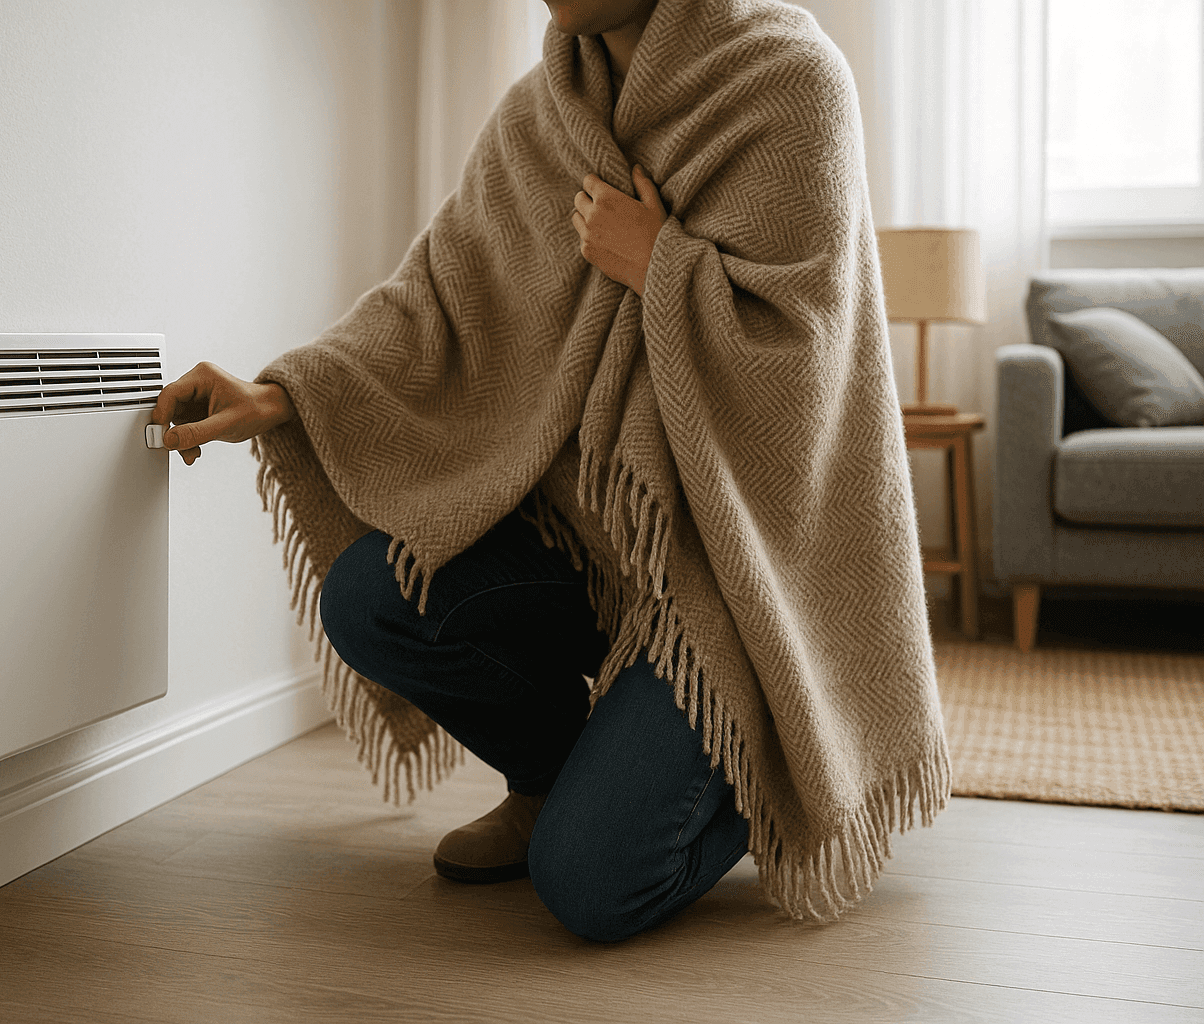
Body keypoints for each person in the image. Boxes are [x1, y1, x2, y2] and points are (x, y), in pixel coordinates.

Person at [149, 0, 947, 941]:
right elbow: (434, 301)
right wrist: (283, 396)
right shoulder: (542, 114)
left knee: (588, 884)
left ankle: (765, 763)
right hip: (600, 548)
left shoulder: (789, 82)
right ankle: (551, 776)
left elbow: (807, 366)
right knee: (371, 591)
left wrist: (664, 265)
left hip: (736, 576)